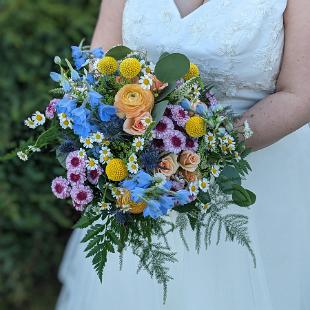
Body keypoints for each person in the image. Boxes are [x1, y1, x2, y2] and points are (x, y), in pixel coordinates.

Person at [56, 1, 310, 309]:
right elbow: (100, 66)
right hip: (143, 183)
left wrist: (203, 151)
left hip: (257, 178)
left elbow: (300, 94)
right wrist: (116, 148)